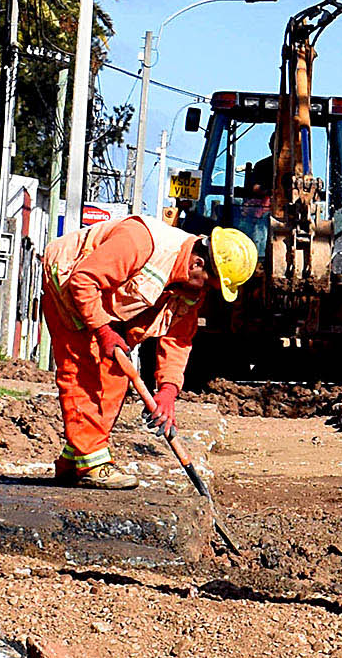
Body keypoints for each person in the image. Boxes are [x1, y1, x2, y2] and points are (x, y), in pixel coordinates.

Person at [37, 210, 254, 489]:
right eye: (208, 284)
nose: (206, 292)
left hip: (106, 302)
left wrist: (168, 391)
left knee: (116, 377)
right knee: (85, 373)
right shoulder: (141, 241)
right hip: (69, 282)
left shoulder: (190, 289)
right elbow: (84, 280)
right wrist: (103, 330)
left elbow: (177, 341)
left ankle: (75, 460)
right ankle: (92, 463)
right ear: (197, 264)